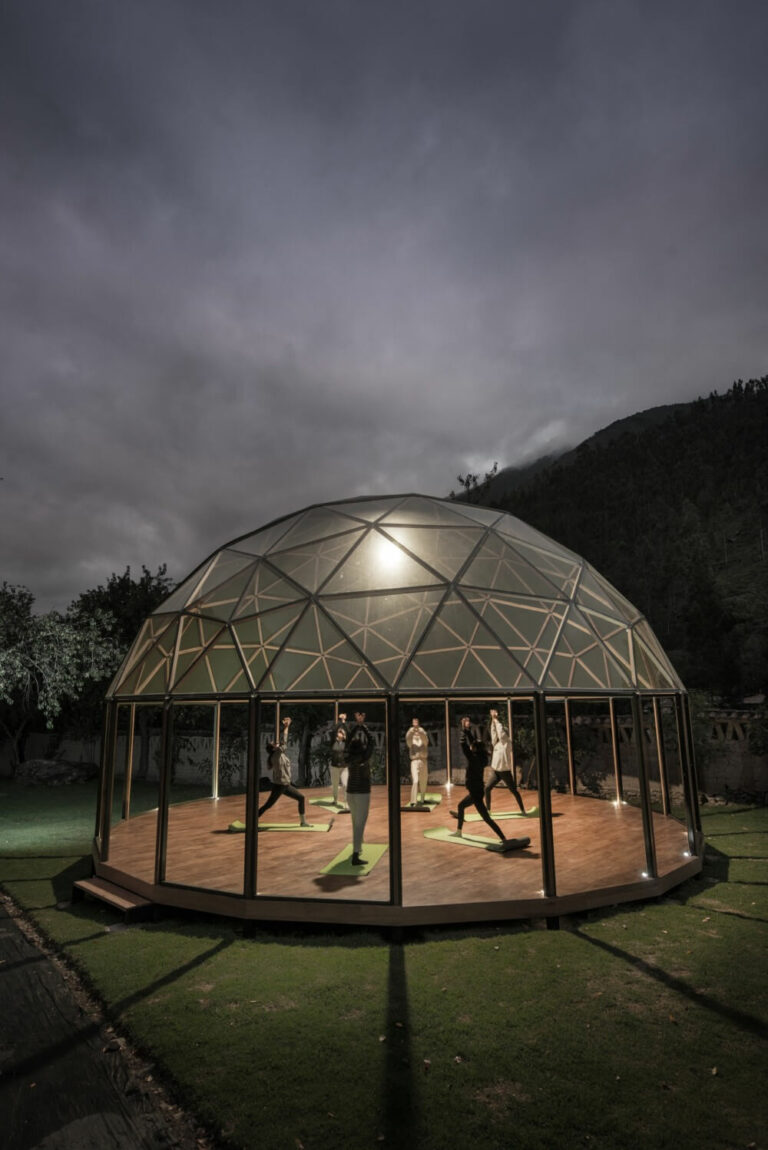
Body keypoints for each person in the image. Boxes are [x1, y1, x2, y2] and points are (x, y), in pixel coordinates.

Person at [450, 716, 506, 844]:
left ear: (474, 749)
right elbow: (474, 742)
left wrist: (463, 730)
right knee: (461, 806)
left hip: (475, 792)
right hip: (476, 790)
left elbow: (463, 744)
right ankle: (459, 832)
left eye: (472, 747)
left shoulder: (473, 758)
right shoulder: (480, 756)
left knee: (486, 818)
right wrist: (467, 729)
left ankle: (503, 838)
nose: (471, 747)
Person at [258, 717, 310, 826]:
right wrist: (286, 727)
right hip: (281, 785)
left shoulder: (278, 755)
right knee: (268, 805)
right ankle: (253, 819)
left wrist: (286, 727)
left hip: (285, 784)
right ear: (273, 749)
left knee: (301, 798)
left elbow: (282, 742)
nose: (277, 743)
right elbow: (284, 740)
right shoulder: (276, 755)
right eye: (274, 744)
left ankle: (303, 822)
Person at [345, 710, 374, 865]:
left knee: (355, 820)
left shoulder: (348, 757)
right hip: (362, 793)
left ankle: (359, 846)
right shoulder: (364, 757)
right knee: (359, 824)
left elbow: (348, 740)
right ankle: (356, 854)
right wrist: (362, 726)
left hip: (350, 792)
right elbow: (372, 742)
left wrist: (357, 726)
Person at [484, 708, 526, 815]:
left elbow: (500, 731)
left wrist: (496, 719)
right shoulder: (496, 743)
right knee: (487, 788)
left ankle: (522, 810)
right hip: (496, 772)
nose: (500, 734)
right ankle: (488, 810)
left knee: (514, 792)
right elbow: (494, 731)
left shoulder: (507, 742)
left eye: (503, 732)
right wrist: (492, 720)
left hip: (505, 772)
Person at [405, 717, 429, 806]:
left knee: (423, 780)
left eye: (416, 722)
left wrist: (419, 730)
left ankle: (422, 797)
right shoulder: (411, 739)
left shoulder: (423, 737)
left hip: (423, 761)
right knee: (415, 780)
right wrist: (412, 731)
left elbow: (425, 739)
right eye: (413, 722)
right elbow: (408, 739)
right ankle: (413, 801)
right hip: (414, 762)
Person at [328, 713, 349, 809]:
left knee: (345, 785)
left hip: (344, 767)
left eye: (340, 732)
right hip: (334, 767)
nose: (338, 733)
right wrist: (340, 720)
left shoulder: (346, 743)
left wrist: (344, 722)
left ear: (343, 736)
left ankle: (346, 803)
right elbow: (333, 730)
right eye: (338, 732)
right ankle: (335, 800)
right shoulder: (333, 742)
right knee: (335, 785)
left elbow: (348, 731)